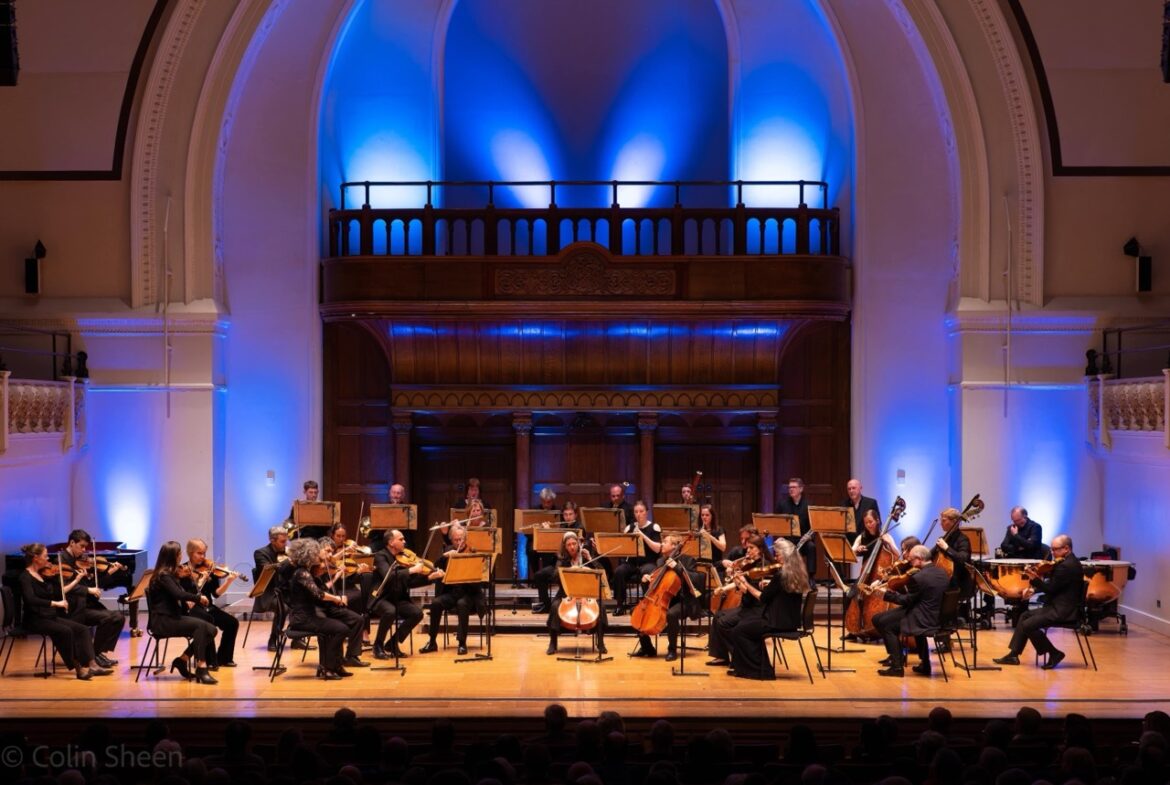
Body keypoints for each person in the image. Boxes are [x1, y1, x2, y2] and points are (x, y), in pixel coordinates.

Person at [17, 543, 113, 680]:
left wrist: (76, 580)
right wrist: (55, 603)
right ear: (36, 558)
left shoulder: (43, 575)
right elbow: (30, 599)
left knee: (82, 629)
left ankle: (92, 664)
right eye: (45, 556)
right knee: (65, 631)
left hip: (49, 616)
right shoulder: (25, 577)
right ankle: (78, 669)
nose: (48, 560)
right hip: (34, 619)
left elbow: (58, 592)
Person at [993, 535, 1084, 670]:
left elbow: (1050, 589)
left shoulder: (1066, 566)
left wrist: (1034, 579)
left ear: (1066, 548)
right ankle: (1013, 654)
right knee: (1024, 616)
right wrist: (1036, 586)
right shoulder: (1068, 561)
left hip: (1063, 611)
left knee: (1028, 625)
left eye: (1055, 550)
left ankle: (1054, 653)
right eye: (1051, 549)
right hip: (1058, 606)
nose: (1052, 553)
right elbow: (1055, 585)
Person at [727, 537, 810, 679]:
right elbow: (782, 590)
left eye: (777, 554)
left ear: (785, 555)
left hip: (776, 621)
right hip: (791, 620)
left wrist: (745, 583)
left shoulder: (781, 575)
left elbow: (762, 598)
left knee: (739, 630)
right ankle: (750, 667)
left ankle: (759, 670)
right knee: (746, 625)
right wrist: (770, 584)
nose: (776, 558)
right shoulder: (797, 572)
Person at [869, 544, 948, 677]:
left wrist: (884, 594)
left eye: (911, 560)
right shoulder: (942, 572)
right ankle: (924, 663)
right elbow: (917, 598)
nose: (910, 563)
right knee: (877, 619)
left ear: (919, 559)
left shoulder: (918, 578)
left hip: (922, 618)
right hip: (938, 616)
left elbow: (905, 601)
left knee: (886, 625)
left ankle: (897, 666)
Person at [146, 541, 218, 684]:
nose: (180, 557)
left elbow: (176, 594)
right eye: (179, 554)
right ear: (173, 556)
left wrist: (185, 580)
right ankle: (201, 667)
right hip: (163, 621)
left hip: (173, 617)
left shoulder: (171, 575)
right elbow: (178, 594)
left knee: (211, 630)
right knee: (201, 626)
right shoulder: (163, 576)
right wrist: (198, 598)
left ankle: (182, 660)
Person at [284, 538, 351, 680]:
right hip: (303, 619)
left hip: (308, 616)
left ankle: (333, 666)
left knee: (335, 629)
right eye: (316, 553)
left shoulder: (306, 572)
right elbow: (319, 594)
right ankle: (327, 668)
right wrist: (336, 598)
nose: (318, 556)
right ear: (309, 555)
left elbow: (318, 591)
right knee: (341, 629)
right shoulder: (302, 573)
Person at [370, 528, 443, 658]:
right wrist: (412, 570)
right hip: (381, 597)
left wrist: (429, 578)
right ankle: (378, 645)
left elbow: (409, 583)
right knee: (390, 611)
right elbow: (390, 576)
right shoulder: (381, 556)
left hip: (397, 597)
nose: (405, 541)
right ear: (391, 542)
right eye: (401, 539)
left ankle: (392, 643)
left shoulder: (403, 557)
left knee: (416, 614)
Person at [59, 529, 126, 668]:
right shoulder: (61, 561)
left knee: (119, 617)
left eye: (85, 547)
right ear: (72, 543)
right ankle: (93, 656)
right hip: (74, 608)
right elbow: (64, 588)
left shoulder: (80, 561)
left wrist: (109, 572)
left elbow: (93, 583)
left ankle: (96, 653)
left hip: (87, 604)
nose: (84, 550)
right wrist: (88, 590)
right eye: (81, 546)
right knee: (108, 618)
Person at [632, 533, 703, 661]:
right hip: (664, 599)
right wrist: (646, 580)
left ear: (674, 546)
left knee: (672, 614)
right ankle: (647, 648)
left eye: (665, 542)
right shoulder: (661, 561)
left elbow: (696, 580)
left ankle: (672, 650)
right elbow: (656, 586)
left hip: (684, 600)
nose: (662, 544)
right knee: (637, 611)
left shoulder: (688, 560)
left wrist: (677, 567)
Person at [419, 525, 486, 655]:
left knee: (462, 604)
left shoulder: (472, 553)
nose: (459, 542)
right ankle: (432, 642)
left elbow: (479, 581)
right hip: (452, 594)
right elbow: (434, 567)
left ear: (466, 539)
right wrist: (444, 556)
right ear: (451, 540)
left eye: (461, 539)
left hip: (469, 594)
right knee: (436, 603)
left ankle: (462, 643)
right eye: (455, 540)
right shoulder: (449, 552)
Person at [706, 535, 771, 666]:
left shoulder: (764, 567)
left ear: (760, 549)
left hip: (756, 609)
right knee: (718, 615)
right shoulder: (749, 565)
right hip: (746, 606)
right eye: (747, 548)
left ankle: (738, 657)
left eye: (751, 548)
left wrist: (740, 582)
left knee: (724, 622)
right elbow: (742, 586)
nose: (747, 551)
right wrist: (735, 578)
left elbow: (750, 591)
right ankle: (722, 656)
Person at [546, 531, 608, 655]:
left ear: (579, 544)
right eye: (569, 545)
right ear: (565, 547)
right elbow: (554, 577)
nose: (572, 547)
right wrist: (567, 569)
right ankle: (553, 642)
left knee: (601, 607)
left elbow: (602, 572)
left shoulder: (586, 556)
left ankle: (600, 642)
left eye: (574, 544)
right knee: (554, 606)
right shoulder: (562, 560)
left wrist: (590, 559)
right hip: (566, 594)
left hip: (587, 594)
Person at [182, 538, 240, 668]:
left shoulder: (209, 569)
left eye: (204, 553)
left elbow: (215, 594)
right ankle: (208, 660)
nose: (203, 557)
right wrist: (200, 581)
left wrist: (228, 581)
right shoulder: (183, 571)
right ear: (190, 553)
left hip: (208, 607)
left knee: (232, 623)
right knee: (208, 623)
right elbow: (186, 594)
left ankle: (223, 658)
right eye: (199, 553)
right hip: (192, 610)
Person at [316, 539, 369, 668]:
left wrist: (356, 572)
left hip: (331, 604)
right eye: (327, 551)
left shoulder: (329, 565)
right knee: (342, 625)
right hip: (320, 608)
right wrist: (337, 576)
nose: (330, 556)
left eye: (331, 552)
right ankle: (334, 662)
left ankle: (351, 656)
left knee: (358, 619)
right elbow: (321, 591)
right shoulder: (316, 568)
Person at [533, 501, 584, 613]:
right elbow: (554, 548)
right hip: (559, 564)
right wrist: (547, 532)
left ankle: (563, 605)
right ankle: (546, 605)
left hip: (572, 566)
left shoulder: (579, 528)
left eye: (570, 514)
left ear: (575, 515)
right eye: (565, 514)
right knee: (539, 575)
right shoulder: (561, 526)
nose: (568, 517)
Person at [612, 501, 660, 615]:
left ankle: (647, 605)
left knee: (646, 572)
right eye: (636, 512)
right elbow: (623, 548)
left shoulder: (654, 527)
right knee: (619, 571)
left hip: (649, 562)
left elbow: (658, 549)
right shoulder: (629, 527)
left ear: (646, 513)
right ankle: (620, 605)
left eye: (641, 511)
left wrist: (642, 535)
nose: (638, 514)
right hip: (632, 563)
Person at [254, 525, 293, 652]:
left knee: (302, 603)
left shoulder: (287, 553)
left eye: (286, 541)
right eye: (282, 542)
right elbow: (269, 569)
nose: (285, 544)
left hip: (286, 590)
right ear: (272, 540)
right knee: (284, 608)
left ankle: (297, 640)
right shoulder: (260, 553)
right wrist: (289, 561)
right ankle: (273, 639)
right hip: (269, 593)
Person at [775, 477, 815, 575]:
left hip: (803, 541)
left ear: (801, 489)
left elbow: (814, 526)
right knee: (779, 545)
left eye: (794, 487)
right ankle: (782, 576)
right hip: (787, 540)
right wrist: (779, 536)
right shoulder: (782, 504)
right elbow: (777, 523)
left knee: (811, 547)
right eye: (790, 488)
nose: (791, 489)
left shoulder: (809, 505)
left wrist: (809, 536)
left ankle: (811, 577)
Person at [696, 504, 727, 570]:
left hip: (715, 563)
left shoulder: (718, 529)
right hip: (701, 563)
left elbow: (723, 547)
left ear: (712, 516)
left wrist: (709, 536)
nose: (704, 517)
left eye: (707, 515)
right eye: (702, 515)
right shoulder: (698, 530)